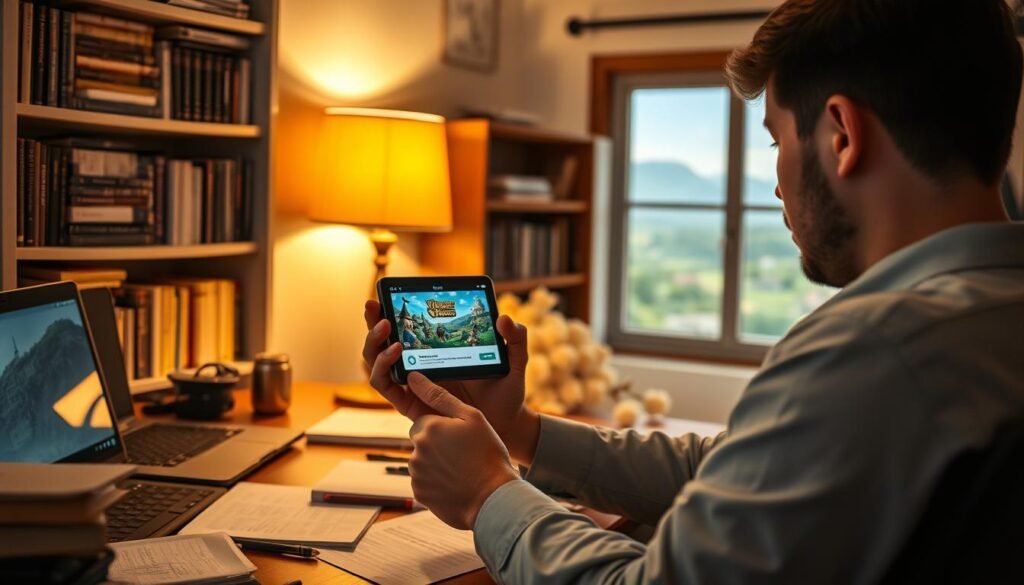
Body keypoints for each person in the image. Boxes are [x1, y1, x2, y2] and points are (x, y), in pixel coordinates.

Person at [361, 0, 1024, 582]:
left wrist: (486, 491)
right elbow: (739, 468)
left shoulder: (871, 349)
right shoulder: (986, 318)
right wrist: (519, 430)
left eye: (775, 141)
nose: (775, 185)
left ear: (841, 135)